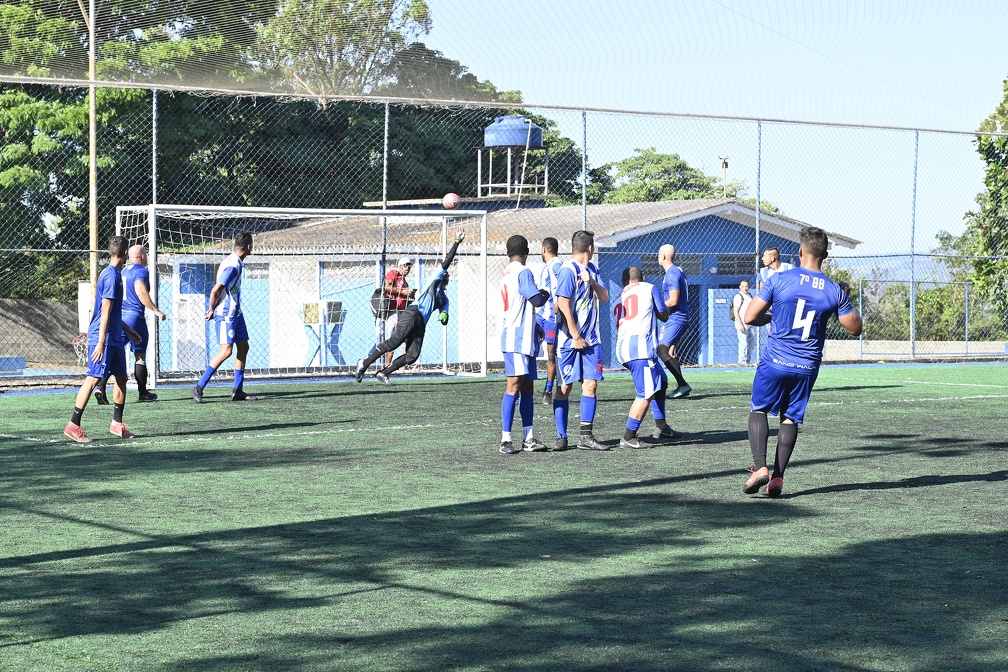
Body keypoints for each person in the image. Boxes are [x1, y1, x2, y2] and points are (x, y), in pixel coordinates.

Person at [741, 227, 862, 498]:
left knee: (759, 410)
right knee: (790, 418)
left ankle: (760, 468)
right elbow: (855, 328)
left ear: (799, 251)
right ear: (826, 255)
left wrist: (774, 315)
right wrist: (843, 298)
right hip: (806, 365)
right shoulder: (834, 290)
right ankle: (778, 479)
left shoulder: (780, 279)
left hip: (775, 360)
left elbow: (750, 317)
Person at [355, 228, 466, 385]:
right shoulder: (435, 280)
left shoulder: (444, 299)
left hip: (421, 323)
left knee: (412, 355)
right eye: (446, 273)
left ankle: (384, 373)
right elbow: (447, 260)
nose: (447, 274)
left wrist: (444, 316)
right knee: (395, 342)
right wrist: (456, 242)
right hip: (413, 313)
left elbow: (444, 315)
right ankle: (364, 363)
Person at [64, 236, 141, 442]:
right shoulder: (110, 276)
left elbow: (114, 313)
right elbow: (105, 312)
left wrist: (129, 331)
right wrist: (100, 342)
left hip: (114, 337)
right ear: (125, 254)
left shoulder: (116, 274)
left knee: (122, 378)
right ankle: (73, 425)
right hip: (103, 337)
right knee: (93, 378)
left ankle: (117, 424)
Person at [553, 229, 609, 451]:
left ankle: (586, 436)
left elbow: (604, 296)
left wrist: (592, 282)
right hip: (569, 341)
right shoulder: (568, 270)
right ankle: (561, 436)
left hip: (592, 340)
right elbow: (563, 304)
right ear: (590, 249)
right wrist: (575, 335)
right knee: (565, 387)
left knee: (591, 384)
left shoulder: (592, 269)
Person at [94, 244, 167, 404]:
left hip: (120, 318)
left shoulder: (122, 271)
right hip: (135, 318)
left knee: (113, 353)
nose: (147, 257)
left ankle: (100, 386)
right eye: (146, 254)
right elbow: (140, 290)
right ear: (142, 257)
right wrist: (155, 310)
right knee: (140, 356)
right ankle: (143, 393)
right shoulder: (141, 271)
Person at [498, 235, 551, 454]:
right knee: (514, 386)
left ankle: (528, 438)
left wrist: (535, 326)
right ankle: (505, 439)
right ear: (527, 252)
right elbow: (536, 300)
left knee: (527, 387)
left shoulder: (506, 273)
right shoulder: (523, 271)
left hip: (522, 337)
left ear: (507, 252)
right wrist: (547, 292)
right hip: (516, 339)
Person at [615, 266, 676, 449]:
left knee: (661, 381)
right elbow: (664, 315)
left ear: (623, 282)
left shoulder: (619, 296)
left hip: (624, 347)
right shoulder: (649, 287)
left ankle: (661, 426)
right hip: (641, 349)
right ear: (643, 278)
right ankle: (629, 436)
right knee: (645, 393)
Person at [191, 232, 256, 403]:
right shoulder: (233, 265)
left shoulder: (233, 260)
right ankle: (198, 387)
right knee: (226, 351)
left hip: (236, 313)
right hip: (226, 314)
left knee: (243, 347)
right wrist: (211, 309)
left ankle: (237, 390)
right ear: (249, 247)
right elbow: (216, 290)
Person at [656, 244, 691, 398]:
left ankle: (682, 384)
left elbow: (674, 300)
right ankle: (681, 386)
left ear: (664, 256)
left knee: (661, 350)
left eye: (658, 255)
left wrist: (655, 308)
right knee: (669, 352)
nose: (657, 257)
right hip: (677, 318)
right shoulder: (676, 271)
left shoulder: (672, 273)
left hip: (677, 318)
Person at [536, 236, 563, 405]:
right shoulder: (546, 267)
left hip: (552, 319)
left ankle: (548, 389)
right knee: (528, 346)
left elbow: (564, 286)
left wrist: (559, 305)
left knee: (551, 355)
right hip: (540, 316)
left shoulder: (557, 266)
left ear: (544, 249)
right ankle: (521, 387)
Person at [381, 257, 416, 367]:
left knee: (406, 338)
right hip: (393, 311)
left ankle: (402, 367)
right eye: (405, 266)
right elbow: (386, 287)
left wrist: (410, 298)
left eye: (409, 267)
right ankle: (387, 365)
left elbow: (404, 299)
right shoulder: (394, 273)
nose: (407, 269)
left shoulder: (405, 282)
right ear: (400, 266)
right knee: (393, 338)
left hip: (402, 312)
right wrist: (404, 292)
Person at [733, 279, 756, 365]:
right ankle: (742, 362)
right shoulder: (738, 296)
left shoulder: (750, 295)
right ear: (740, 287)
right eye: (743, 286)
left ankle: (748, 361)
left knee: (751, 343)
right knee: (743, 343)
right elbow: (736, 311)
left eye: (746, 286)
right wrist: (740, 324)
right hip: (742, 323)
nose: (745, 288)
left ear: (749, 287)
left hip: (751, 323)